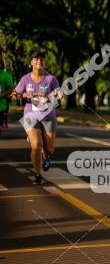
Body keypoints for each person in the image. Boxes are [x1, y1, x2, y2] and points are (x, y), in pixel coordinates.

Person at [12, 50, 62, 184]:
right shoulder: (25, 79)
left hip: (48, 115)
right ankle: (38, 174)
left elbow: (59, 95)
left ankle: (45, 155)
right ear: (31, 62)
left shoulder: (51, 79)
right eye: (36, 59)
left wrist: (57, 95)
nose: (39, 61)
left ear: (44, 62)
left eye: (41, 59)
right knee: (36, 144)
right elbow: (15, 93)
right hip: (30, 114)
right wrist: (16, 95)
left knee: (50, 148)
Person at [0, 60, 14, 136]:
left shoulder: (6, 76)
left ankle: (4, 123)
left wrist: (2, 94)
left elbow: (11, 89)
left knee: (5, 113)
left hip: (2, 104)